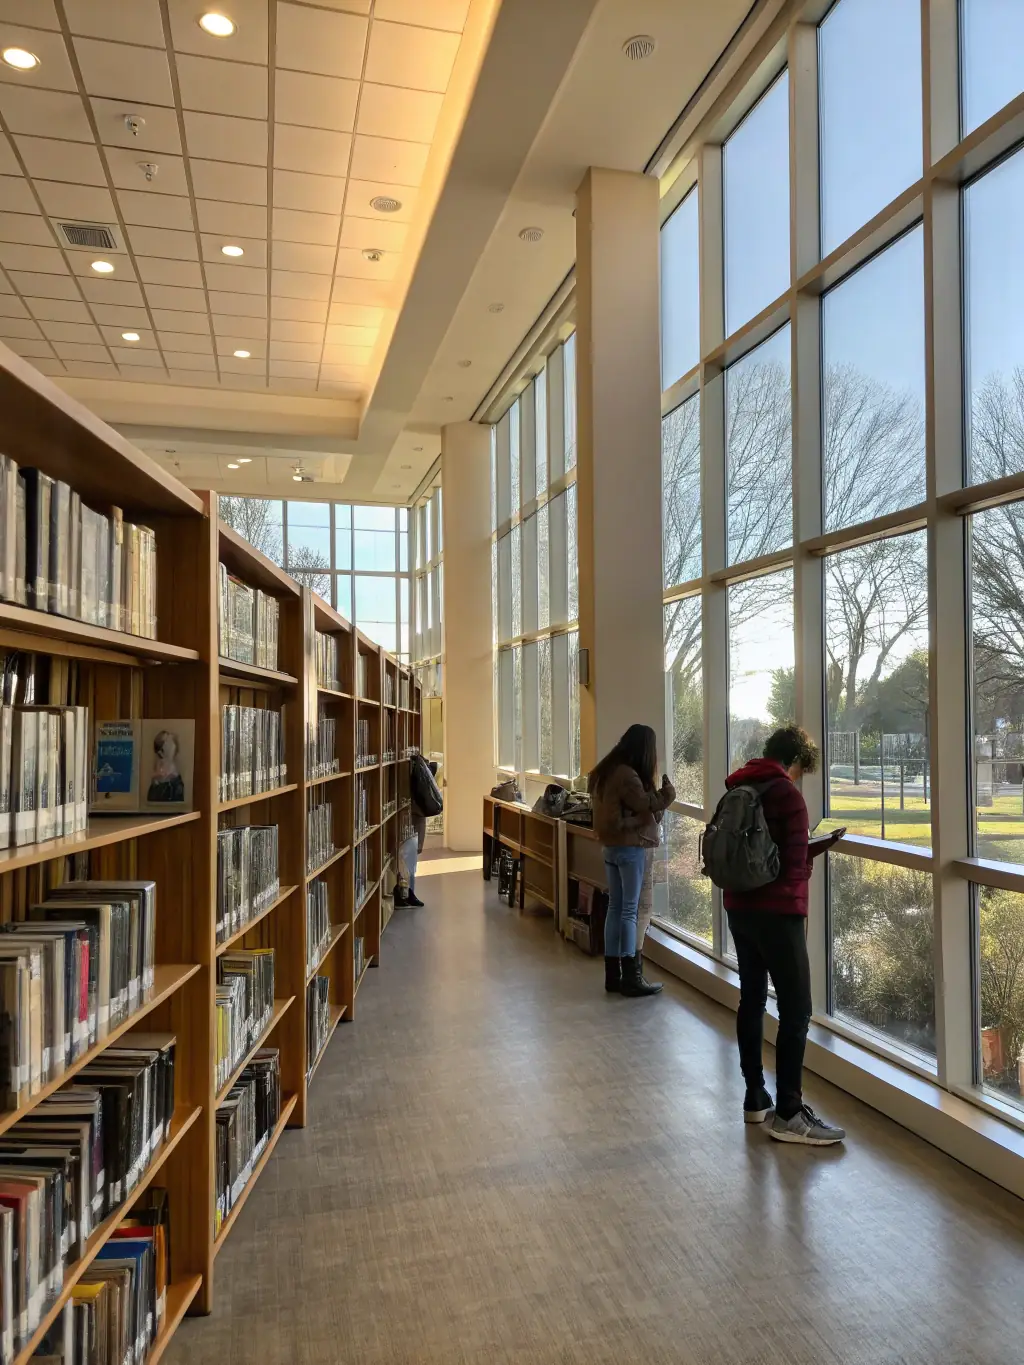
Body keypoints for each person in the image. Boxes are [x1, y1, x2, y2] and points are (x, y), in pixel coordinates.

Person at [724, 725, 846, 1146]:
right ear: (797, 761)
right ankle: (790, 1112)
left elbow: (760, 853)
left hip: (738, 909)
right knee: (797, 1011)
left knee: (752, 998)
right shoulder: (788, 795)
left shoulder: (741, 784)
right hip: (778, 915)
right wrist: (817, 847)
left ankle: (755, 1096)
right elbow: (793, 867)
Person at [589, 724, 675, 998]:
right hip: (629, 848)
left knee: (615, 907)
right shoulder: (627, 775)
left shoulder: (607, 770)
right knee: (629, 910)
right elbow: (645, 805)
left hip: (610, 848)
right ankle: (631, 976)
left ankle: (612, 974)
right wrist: (666, 796)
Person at [395, 759, 438, 908]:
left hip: (414, 813)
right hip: (413, 813)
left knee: (409, 855)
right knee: (408, 855)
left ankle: (407, 891)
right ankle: (405, 892)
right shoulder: (417, 765)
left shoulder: (415, 765)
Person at [146, 730, 184, 804]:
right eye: (168, 743)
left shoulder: (176, 780)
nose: (173, 745)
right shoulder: (156, 783)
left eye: (172, 742)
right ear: (161, 752)